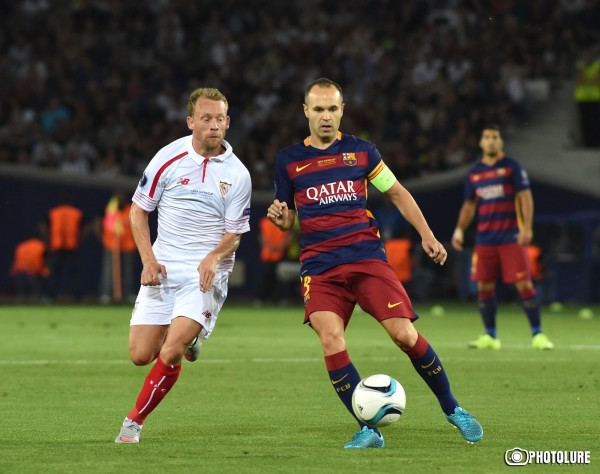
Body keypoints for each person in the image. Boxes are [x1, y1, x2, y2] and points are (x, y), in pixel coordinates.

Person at [267, 78, 482, 449]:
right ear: (305, 111)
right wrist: (279, 218)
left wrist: (427, 235)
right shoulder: (288, 160)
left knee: (404, 335)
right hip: (319, 267)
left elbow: (397, 193)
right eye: (318, 109)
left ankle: (453, 408)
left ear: (342, 111)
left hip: (366, 259)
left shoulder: (363, 152)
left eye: (332, 109)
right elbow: (287, 220)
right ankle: (368, 429)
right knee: (331, 339)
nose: (325, 117)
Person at [114, 88, 252, 443]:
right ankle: (191, 341)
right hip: (163, 267)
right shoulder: (168, 157)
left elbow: (234, 234)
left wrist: (213, 256)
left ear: (228, 122)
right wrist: (148, 259)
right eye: (206, 119)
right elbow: (138, 211)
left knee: (170, 349)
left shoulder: (238, 174)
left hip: (205, 275)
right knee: (140, 355)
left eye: (220, 119)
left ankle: (133, 422)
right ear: (191, 121)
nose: (214, 126)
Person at [451, 124, 554, 351]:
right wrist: (459, 229)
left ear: (501, 142)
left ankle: (538, 334)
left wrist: (527, 228)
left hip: (511, 237)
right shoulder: (475, 173)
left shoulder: (511, 167)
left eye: (495, 137)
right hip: (485, 239)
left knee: (524, 283)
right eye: (486, 137)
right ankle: (490, 335)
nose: (491, 141)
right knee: (483, 286)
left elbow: (526, 197)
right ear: (480, 142)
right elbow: (469, 205)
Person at [98, 191, 137, 304]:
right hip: (111, 244)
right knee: (109, 271)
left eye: (122, 197)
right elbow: (101, 223)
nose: (120, 199)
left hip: (128, 245)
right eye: (118, 197)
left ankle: (128, 294)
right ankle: (106, 294)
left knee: (128, 272)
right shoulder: (110, 209)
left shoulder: (131, 209)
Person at [47, 193, 83, 301]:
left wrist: (48, 240)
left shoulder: (54, 212)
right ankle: (77, 298)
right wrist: (80, 240)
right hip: (72, 245)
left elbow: (45, 226)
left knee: (55, 273)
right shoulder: (76, 213)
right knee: (74, 274)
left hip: (57, 245)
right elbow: (83, 228)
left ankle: (50, 297)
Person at [255, 215, 291, 305]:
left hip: (280, 254)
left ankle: (278, 299)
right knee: (266, 278)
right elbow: (261, 237)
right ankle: (262, 298)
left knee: (279, 279)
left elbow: (288, 237)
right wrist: (271, 247)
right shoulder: (264, 221)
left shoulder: (284, 221)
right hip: (268, 255)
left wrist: (281, 247)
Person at [10, 226, 49, 302]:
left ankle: (21, 297)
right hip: (33, 273)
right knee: (45, 277)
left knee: (22, 288)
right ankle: (41, 298)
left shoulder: (21, 246)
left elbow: (16, 261)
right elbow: (45, 262)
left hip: (19, 272)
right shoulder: (41, 246)